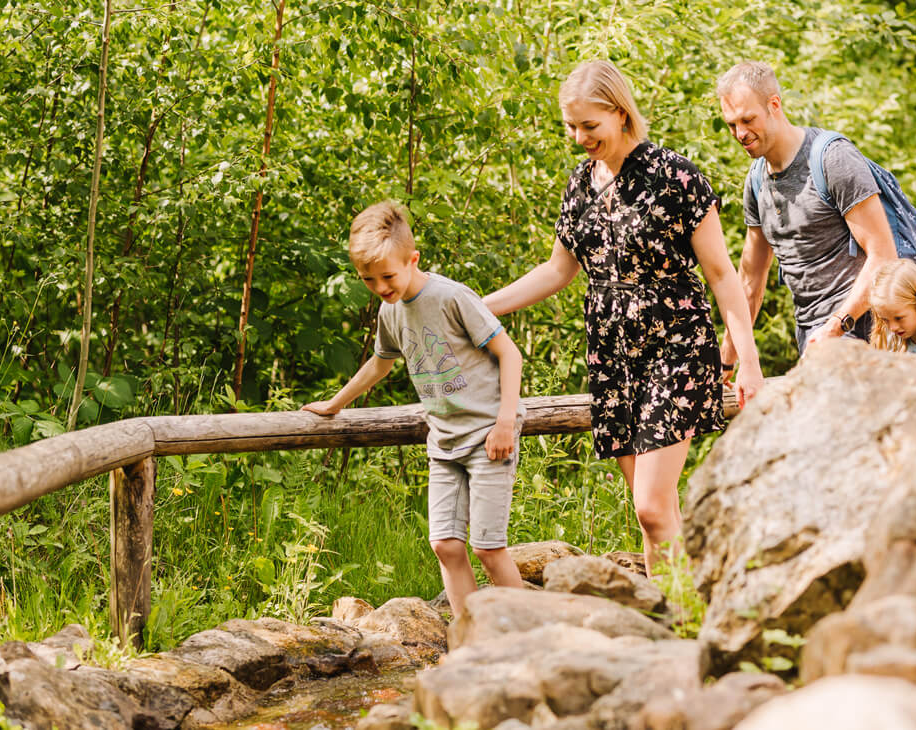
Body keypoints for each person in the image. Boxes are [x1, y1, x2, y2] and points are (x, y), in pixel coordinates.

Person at [483, 60, 764, 570]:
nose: (578, 137)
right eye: (571, 126)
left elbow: (724, 276)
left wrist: (746, 359)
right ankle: (678, 623)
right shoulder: (580, 185)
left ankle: (683, 620)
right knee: (656, 517)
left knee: (652, 508)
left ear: (619, 113)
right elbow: (556, 271)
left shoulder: (675, 176)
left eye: (589, 125)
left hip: (676, 346)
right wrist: (479, 307)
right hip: (613, 355)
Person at [302, 200, 526, 618]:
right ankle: (470, 637)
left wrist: (505, 422)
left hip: (489, 434)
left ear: (412, 259)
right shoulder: (390, 311)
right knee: (445, 544)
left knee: (487, 546)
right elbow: (380, 363)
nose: (381, 287)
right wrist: (335, 404)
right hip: (444, 440)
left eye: (387, 276)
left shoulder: (451, 297)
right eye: (368, 280)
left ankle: (540, 636)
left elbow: (509, 353)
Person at [716, 60, 909, 366]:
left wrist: (835, 328)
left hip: (865, 328)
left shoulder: (833, 159)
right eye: (731, 124)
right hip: (812, 333)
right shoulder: (755, 180)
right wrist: (726, 360)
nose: (740, 133)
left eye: (748, 120)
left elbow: (884, 255)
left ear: (774, 105)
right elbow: (750, 280)